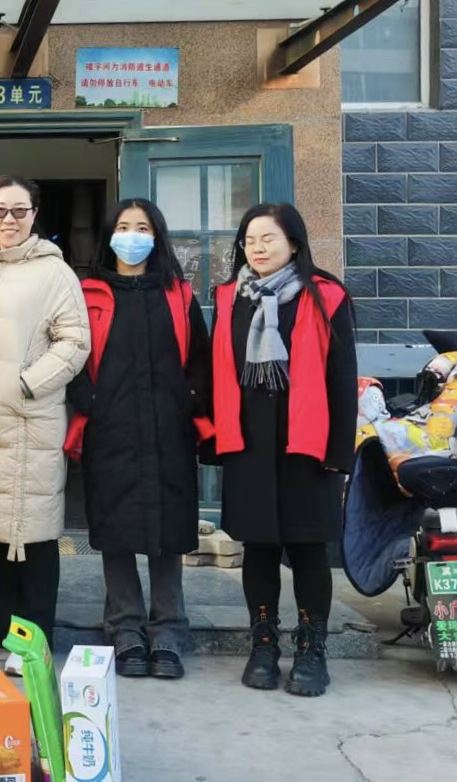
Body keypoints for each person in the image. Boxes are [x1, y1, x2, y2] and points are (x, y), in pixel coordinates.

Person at [0, 175, 90, 676]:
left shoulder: (54, 272)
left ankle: (33, 642)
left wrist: (28, 384)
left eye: (19, 210)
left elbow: (75, 341)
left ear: (34, 215)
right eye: (0, 210)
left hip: (27, 419)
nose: (9, 219)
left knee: (34, 534)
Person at [212, 202, 356, 697]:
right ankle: (264, 644)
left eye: (268, 238)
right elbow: (217, 369)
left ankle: (312, 648)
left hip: (307, 444)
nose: (257, 248)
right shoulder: (230, 297)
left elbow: (342, 379)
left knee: (309, 547)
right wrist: (217, 440)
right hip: (249, 442)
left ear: (294, 243)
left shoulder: (326, 296)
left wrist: (339, 454)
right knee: (258, 546)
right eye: (249, 240)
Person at [65, 199, 213, 680]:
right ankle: (125, 627)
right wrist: (88, 400)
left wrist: (193, 410)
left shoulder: (179, 294)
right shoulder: (88, 292)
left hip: (169, 428)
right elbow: (69, 352)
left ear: (157, 236)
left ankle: (169, 629)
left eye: (143, 227)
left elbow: (201, 361)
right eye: (124, 226)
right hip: (110, 428)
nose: (132, 235)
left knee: (169, 532)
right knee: (117, 530)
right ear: (110, 235)